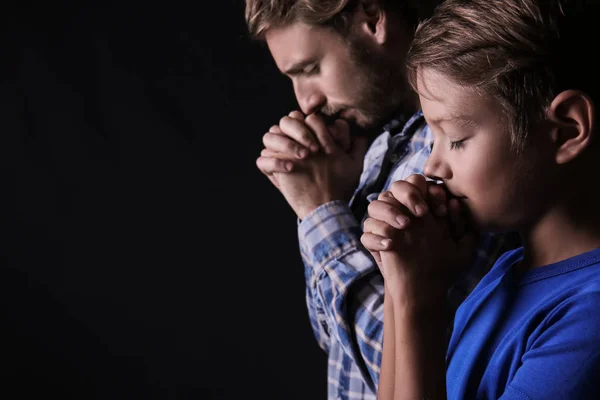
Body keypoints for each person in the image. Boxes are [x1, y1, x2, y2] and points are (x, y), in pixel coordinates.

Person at [244, 1, 518, 399]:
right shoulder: (380, 146)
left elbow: (426, 373)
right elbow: (335, 341)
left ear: (373, 20)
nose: (306, 102)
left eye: (310, 69)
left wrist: (320, 211)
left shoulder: (457, 156)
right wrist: (330, 202)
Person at [361, 0, 600, 398]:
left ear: (566, 130)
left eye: (455, 138)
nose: (433, 165)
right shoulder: (507, 273)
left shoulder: (587, 321)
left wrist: (418, 305)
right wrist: (401, 284)